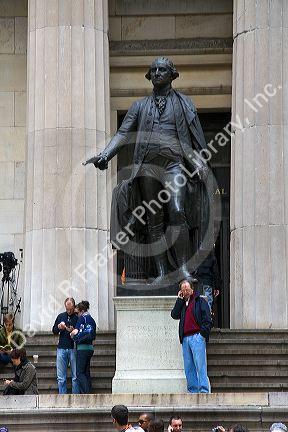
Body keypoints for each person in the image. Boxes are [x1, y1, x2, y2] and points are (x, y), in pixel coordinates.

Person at [84, 56, 211, 286]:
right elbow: (123, 133)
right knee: (154, 219)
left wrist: (199, 162)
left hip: (174, 165)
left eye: (162, 69)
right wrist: (105, 155)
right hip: (147, 168)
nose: (157, 73)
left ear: (172, 74)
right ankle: (162, 271)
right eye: (153, 70)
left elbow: (194, 139)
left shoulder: (184, 104)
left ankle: (182, 268)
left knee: (177, 210)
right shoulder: (139, 106)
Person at [171, 278, 212, 393]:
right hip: (185, 339)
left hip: (197, 337)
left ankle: (204, 390)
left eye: (187, 289)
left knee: (200, 366)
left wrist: (202, 335)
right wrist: (179, 300)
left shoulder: (200, 301)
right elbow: (174, 315)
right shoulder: (182, 304)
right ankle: (193, 391)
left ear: (192, 290)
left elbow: (207, 320)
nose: (185, 292)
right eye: (183, 290)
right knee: (189, 368)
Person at [52, 297, 79, 394]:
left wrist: (73, 331)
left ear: (74, 307)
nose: (69, 311)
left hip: (73, 347)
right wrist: (59, 327)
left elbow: (80, 331)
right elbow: (54, 331)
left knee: (75, 376)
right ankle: (62, 397)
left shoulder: (77, 317)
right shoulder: (61, 316)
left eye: (71, 309)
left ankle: (75, 397)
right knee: (61, 377)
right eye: (67, 309)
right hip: (61, 347)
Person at [70, 300, 96, 394]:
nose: (76, 315)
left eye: (77, 313)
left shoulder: (81, 319)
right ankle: (88, 391)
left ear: (81, 311)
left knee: (80, 373)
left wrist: (73, 335)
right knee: (86, 372)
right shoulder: (92, 320)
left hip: (82, 348)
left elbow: (77, 332)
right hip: (90, 348)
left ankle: (86, 394)